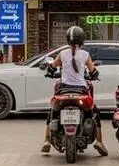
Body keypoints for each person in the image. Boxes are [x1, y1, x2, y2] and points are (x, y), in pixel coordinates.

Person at [41, 26, 108, 156]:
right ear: (82, 40)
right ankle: (99, 142)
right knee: (95, 113)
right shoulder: (85, 55)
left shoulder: (62, 54)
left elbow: (52, 67)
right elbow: (93, 71)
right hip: (81, 90)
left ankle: (46, 141)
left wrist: (49, 70)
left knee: (53, 112)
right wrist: (94, 74)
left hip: (63, 89)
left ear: (67, 39)